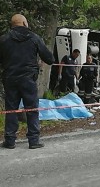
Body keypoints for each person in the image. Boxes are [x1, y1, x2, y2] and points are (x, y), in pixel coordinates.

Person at [0, 14, 55, 149]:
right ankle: (33, 140)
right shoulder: (33, 38)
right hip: (28, 79)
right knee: (32, 109)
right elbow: (50, 59)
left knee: (11, 110)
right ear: (24, 23)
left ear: (12, 25)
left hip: (10, 79)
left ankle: (10, 140)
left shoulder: (4, 39)